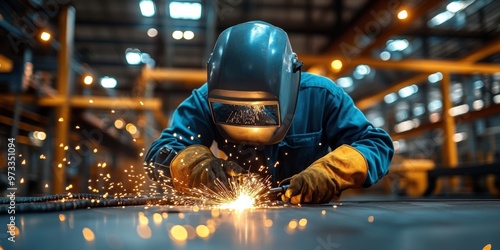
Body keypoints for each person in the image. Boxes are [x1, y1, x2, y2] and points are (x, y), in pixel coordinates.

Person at [144, 20, 394, 204]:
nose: (251, 119)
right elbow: (159, 153)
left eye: (263, 109)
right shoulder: (204, 99)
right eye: (233, 109)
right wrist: (196, 168)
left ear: (288, 85)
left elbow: (376, 145)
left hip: (312, 222)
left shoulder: (322, 95)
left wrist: (333, 172)